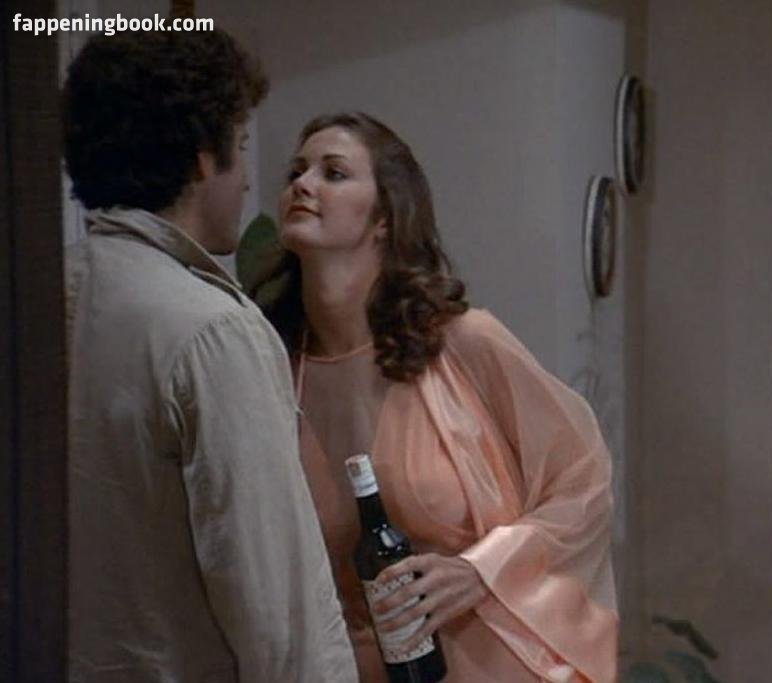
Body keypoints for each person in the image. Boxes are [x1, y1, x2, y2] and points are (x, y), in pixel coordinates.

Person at [240, 111, 619, 681]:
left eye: (333, 173)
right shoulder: (274, 370)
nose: (303, 184)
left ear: (384, 218)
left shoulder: (463, 343)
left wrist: (480, 570)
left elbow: (582, 481)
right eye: (297, 171)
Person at [63, 31, 357, 682]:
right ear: (203, 160)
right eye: (242, 146)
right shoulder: (213, 332)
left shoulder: (40, 299)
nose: (250, 177)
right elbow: (281, 618)